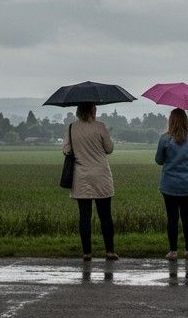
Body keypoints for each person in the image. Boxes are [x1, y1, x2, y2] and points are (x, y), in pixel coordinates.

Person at [64, 103, 116, 261]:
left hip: (81, 176)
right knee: (105, 215)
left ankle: (86, 253)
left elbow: (67, 150)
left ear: (79, 111)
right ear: (92, 110)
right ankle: (109, 251)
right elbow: (109, 148)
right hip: (101, 175)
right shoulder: (100, 127)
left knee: (84, 215)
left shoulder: (71, 128)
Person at [155, 107, 188, 260]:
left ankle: (173, 251)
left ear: (171, 121)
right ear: (186, 121)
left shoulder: (164, 139)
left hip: (169, 185)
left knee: (172, 218)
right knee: (187, 217)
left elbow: (159, 161)